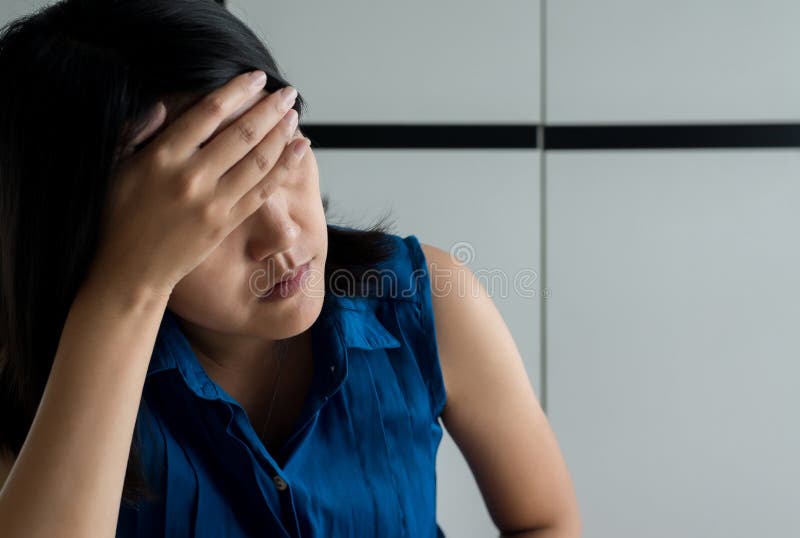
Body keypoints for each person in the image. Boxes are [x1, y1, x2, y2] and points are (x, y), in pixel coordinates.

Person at [0, 0, 582, 536]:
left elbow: (545, 520)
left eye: (280, 154)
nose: (284, 235)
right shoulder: (30, 375)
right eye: (210, 210)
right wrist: (127, 292)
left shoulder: (425, 299)